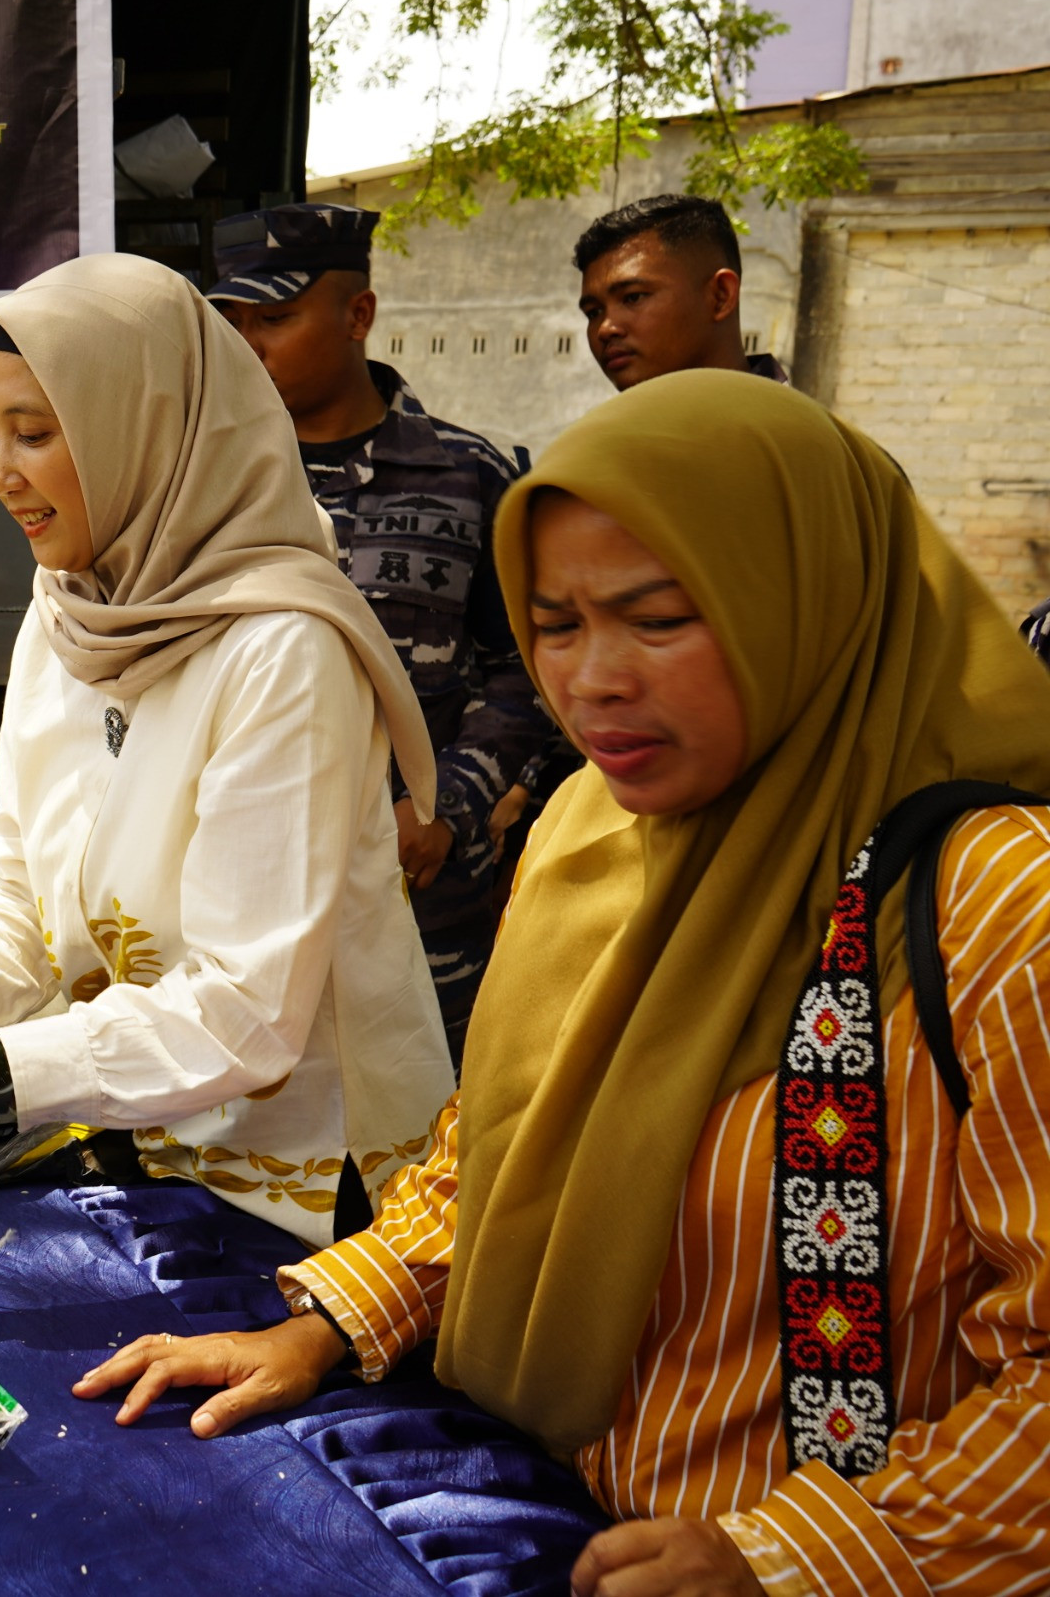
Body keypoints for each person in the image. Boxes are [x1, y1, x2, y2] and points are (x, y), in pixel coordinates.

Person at [77, 369, 1050, 1596]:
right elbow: (497, 1148)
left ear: (808, 602)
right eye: (555, 623)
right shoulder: (590, 834)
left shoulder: (997, 902)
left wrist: (789, 1558)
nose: (591, 679)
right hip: (550, 1520)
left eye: (659, 618)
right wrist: (323, 1325)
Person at [0, 254, 456, 1244]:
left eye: (34, 432)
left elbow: (246, 1007)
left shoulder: (283, 648)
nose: (1, 474)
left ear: (141, 429)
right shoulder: (71, 605)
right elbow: (14, 866)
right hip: (135, 1143)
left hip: (302, 1182)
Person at [207, 202, 564, 1059]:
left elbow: (529, 668)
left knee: (423, 1123)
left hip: (419, 911)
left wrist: (446, 805)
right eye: (234, 323)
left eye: (276, 318)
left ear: (358, 314)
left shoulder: (472, 476)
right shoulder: (205, 482)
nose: (249, 346)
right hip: (239, 901)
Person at [574, 193, 787, 390]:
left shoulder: (793, 418)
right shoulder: (616, 421)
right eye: (593, 312)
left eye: (633, 297)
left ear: (721, 295)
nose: (604, 330)